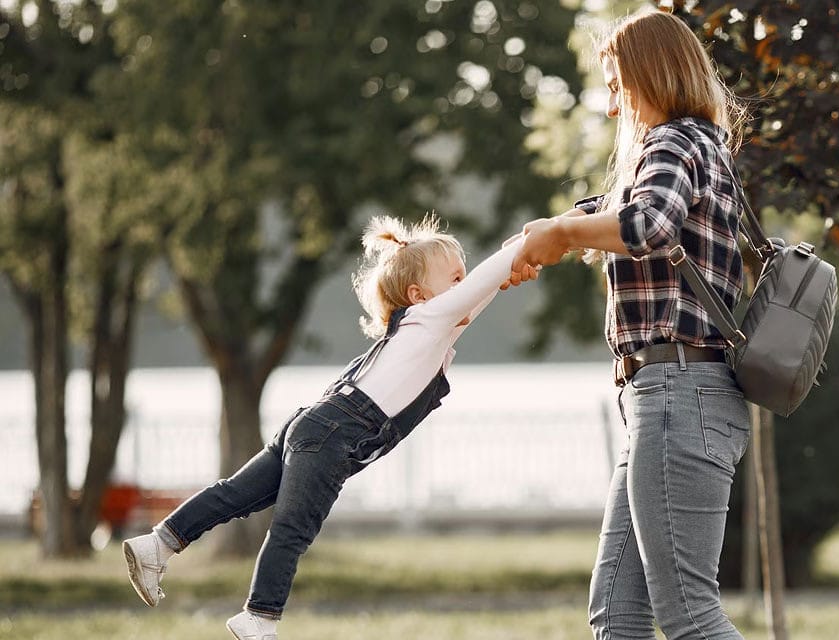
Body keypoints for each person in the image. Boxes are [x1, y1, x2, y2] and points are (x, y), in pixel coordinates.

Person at [122, 215, 533, 640]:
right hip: (335, 434)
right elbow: (480, 286)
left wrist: (524, 251)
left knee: (235, 494)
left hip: (312, 422)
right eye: (456, 279)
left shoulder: (424, 331)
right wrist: (528, 246)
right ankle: (259, 617)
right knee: (293, 527)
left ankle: (158, 544)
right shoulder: (429, 320)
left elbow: (481, 291)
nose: (466, 285)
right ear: (419, 294)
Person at [511, 10, 751, 640]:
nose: (612, 107)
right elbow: (614, 211)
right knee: (616, 616)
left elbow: (648, 226)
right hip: (667, 398)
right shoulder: (703, 147)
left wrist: (561, 233)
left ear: (652, 72)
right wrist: (545, 238)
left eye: (616, 84)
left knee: (690, 617)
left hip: (679, 393)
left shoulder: (674, 142)